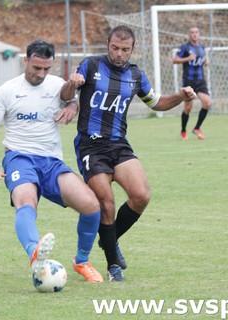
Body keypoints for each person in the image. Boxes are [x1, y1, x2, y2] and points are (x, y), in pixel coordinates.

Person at [61, 25, 196, 282]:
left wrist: (180, 96)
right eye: (115, 48)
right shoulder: (90, 66)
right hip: (91, 145)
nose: (119, 54)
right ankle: (113, 266)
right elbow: (66, 95)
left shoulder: (136, 75)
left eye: (125, 50)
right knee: (107, 203)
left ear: (132, 50)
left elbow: (157, 103)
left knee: (141, 196)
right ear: (107, 44)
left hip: (119, 144)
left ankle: (107, 241)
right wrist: (72, 83)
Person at [0, 40, 104, 285]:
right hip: (19, 157)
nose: (41, 74)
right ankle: (35, 254)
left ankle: (82, 262)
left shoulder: (57, 84)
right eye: (36, 67)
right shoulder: (6, 91)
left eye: (46, 69)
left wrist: (72, 106)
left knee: (91, 205)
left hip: (51, 162)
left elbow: (68, 96)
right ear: (25, 60)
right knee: (26, 202)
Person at [173, 26, 211, 140]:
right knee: (188, 107)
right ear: (189, 35)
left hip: (200, 80)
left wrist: (205, 61)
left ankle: (197, 128)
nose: (194, 34)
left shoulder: (202, 47)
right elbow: (175, 60)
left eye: (196, 32)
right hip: (188, 81)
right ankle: (183, 131)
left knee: (207, 103)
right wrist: (187, 58)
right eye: (192, 32)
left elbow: (199, 59)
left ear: (199, 34)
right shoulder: (185, 47)